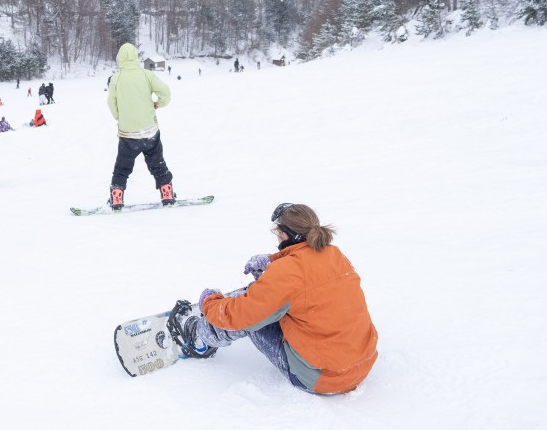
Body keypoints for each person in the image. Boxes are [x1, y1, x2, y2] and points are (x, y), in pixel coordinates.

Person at [167, 203, 378, 395]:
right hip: (361, 365)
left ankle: (200, 338)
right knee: (270, 302)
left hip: (323, 377)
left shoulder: (288, 273)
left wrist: (210, 303)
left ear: (285, 235)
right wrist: (272, 263)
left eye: (277, 233)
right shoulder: (335, 255)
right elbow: (304, 280)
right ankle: (255, 299)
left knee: (255, 315)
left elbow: (243, 316)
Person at [106, 42, 174, 210]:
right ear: (136, 57)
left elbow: (111, 103)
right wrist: (158, 104)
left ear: (120, 59)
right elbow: (165, 93)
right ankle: (166, 192)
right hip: (150, 131)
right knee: (158, 164)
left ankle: (117, 197)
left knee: (122, 168)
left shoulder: (116, 78)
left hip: (128, 134)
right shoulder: (146, 74)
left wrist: (119, 117)